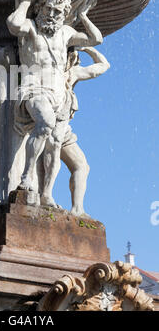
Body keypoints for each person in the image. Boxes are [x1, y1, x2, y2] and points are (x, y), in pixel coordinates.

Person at [7, 0, 103, 198]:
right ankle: (25, 177)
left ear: (63, 15)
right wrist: (27, 0)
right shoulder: (30, 26)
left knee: (54, 143)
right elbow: (12, 24)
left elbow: (96, 39)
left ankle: (47, 194)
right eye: (48, 9)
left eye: (58, 12)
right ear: (40, 9)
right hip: (34, 88)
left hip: (60, 95)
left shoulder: (67, 33)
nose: (52, 15)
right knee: (46, 122)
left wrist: (83, 16)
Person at [40, 47, 110, 215]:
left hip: (63, 130)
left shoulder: (73, 73)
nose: (73, 59)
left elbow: (104, 65)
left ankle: (77, 209)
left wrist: (87, 48)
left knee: (82, 166)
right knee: (55, 161)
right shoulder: (48, 70)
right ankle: (46, 195)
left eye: (74, 56)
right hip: (45, 125)